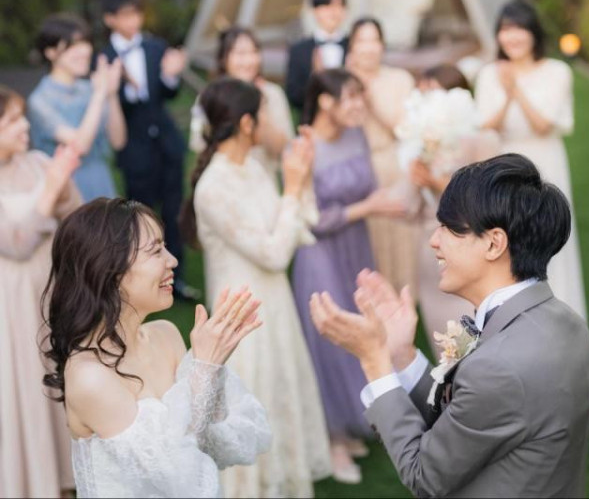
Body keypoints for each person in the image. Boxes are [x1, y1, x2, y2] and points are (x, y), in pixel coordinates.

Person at [311, 153, 589, 498]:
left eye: (449, 227)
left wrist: (374, 361)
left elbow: (424, 474)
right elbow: (472, 417)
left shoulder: (499, 367)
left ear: (493, 243)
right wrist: (402, 354)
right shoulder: (569, 324)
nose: (434, 240)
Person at [42, 197, 271, 498]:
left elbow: (213, 437)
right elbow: (179, 477)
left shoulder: (166, 334)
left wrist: (211, 367)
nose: (172, 260)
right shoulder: (89, 376)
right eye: (155, 251)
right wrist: (204, 366)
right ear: (109, 269)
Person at [181, 77, 330, 498]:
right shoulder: (213, 187)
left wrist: (302, 176)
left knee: (280, 394)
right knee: (253, 400)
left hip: (274, 301)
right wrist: (294, 188)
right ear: (247, 123)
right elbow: (274, 252)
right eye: (263, 114)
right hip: (241, 314)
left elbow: (295, 226)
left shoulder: (254, 167)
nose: (269, 122)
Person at [292, 68, 405, 484]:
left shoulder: (357, 135)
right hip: (319, 252)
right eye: (352, 97)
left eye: (361, 96)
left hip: (356, 246)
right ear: (326, 101)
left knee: (363, 332)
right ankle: (332, 437)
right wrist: (367, 208)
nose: (361, 105)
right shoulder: (302, 146)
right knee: (332, 341)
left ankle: (350, 423)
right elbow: (306, 217)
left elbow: (370, 189)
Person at [475, 0, 586, 320]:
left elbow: (542, 125)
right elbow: (485, 125)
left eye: (519, 29)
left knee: (548, 235)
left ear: (533, 33)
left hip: (544, 161)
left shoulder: (556, 72)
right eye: (505, 30)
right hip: (503, 163)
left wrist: (516, 89)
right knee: (506, 240)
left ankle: (560, 320)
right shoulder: (489, 73)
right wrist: (506, 93)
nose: (512, 37)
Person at [0, 85, 82, 498]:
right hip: (10, 305)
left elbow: (76, 215)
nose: (24, 126)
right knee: (23, 385)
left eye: (22, 117)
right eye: (12, 120)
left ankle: (65, 477)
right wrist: (50, 191)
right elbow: (15, 242)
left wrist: (61, 187)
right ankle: (28, 480)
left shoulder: (37, 162)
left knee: (58, 376)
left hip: (49, 294)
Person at [100, 0, 197, 302]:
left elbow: (168, 93)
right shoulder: (104, 58)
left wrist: (170, 76)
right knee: (140, 217)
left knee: (173, 209)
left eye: (136, 13)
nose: (133, 21)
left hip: (167, 143)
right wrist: (123, 86)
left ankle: (177, 281)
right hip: (135, 149)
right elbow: (115, 106)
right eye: (125, 15)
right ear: (110, 19)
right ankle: (142, 281)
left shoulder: (155, 47)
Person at [410, 65, 500, 355]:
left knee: (474, 341)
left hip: (468, 247)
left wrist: (436, 181)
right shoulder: (422, 142)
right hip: (429, 248)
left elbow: (487, 197)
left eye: (434, 94)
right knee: (443, 345)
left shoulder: (483, 139)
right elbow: (410, 204)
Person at [346, 16, 418, 293]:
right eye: (361, 41)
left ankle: (405, 300)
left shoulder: (399, 79)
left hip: (393, 163)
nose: (368, 47)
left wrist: (370, 98)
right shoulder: (342, 81)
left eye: (374, 40)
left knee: (400, 241)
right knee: (368, 244)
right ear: (352, 46)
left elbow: (404, 128)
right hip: (355, 168)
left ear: (382, 45)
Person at [28, 13, 126, 201]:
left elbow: (118, 141)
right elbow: (80, 146)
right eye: (73, 45)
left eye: (85, 43)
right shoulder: (40, 100)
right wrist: (99, 95)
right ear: (50, 52)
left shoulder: (91, 88)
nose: (84, 51)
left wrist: (111, 94)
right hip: (67, 190)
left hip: (101, 181)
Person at [215, 25, 295, 183]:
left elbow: (282, 149)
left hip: (264, 183)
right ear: (224, 58)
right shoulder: (212, 96)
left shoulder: (272, 94)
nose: (249, 60)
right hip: (224, 185)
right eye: (241, 53)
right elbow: (204, 150)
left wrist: (260, 109)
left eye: (254, 52)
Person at [285, 0, 348, 113]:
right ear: (314, 11)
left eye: (337, 5)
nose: (332, 12)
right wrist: (316, 82)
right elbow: (293, 95)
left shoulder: (353, 46)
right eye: (326, 6)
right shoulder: (299, 50)